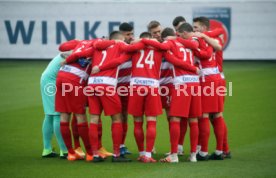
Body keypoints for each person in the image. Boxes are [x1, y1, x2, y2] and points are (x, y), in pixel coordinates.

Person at [142, 27, 201, 162]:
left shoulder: (170, 43)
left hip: (182, 84)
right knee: (193, 120)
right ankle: (193, 155)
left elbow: (161, 48)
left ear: (164, 38)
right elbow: (195, 45)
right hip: (195, 84)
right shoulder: (188, 43)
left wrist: (145, 40)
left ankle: (174, 155)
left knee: (174, 119)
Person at [193, 16, 231, 159]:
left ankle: (203, 151)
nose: (193, 30)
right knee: (217, 115)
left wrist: (201, 36)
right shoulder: (214, 38)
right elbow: (219, 32)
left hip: (208, 80)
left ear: (203, 28)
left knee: (204, 115)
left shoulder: (201, 40)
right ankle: (223, 150)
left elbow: (209, 52)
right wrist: (204, 34)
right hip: (218, 78)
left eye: (196, 27)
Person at [56, 39, 95, 161]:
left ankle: (71, 153)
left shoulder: (82, 43)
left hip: (61, 76)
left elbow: (62, 48)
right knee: (80, 116)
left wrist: (69, 54)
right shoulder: (97, 49)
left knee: (64, 115)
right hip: (74, 80)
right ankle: (90, 153)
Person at [40, 53, 68, 159]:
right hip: (51, 82)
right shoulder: (74, 51)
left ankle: (47, 149)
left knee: (50, 115)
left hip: (48, 79)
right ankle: (64, 150)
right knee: (57, 114)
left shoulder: (75, 49)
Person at [118, 22, 134, 155]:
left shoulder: (132, 47)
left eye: (132, 34)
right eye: (128, 34)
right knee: (117, 118)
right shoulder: (114, 46)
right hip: (113, 87)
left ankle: (121, 145)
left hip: (127, 88)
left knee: (124, 116)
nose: (131, 37)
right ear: (121, 34)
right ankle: (116, 146)